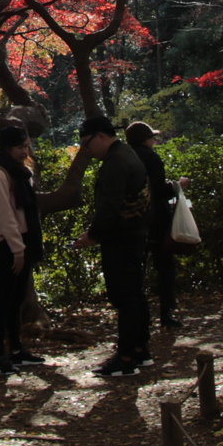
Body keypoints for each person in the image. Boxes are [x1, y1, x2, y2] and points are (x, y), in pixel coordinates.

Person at [75, 114, 152, 378]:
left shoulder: (116, 162)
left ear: (100, 136)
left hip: (121, 238)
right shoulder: (128, 154)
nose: (87, 149)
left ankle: (126, 356)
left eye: (87, 143)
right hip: (134, 233)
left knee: (125, 296)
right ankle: (141, 350)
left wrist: (93, 235)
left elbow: (109, 207)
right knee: (135, 294)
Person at [0, 124, 46, 374]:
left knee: (17, 299)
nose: (24, 151)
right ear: (7, 149)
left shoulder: (22, 173)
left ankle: (17, 351)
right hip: (6, 245)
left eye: (26, 146)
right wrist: (17, 250)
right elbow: (5, 215)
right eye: (20, 147)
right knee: (5, 300)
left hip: (22, 242)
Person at [125, 120, 185, 330]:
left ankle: (139, 315)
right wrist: (177, 186)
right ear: (146, 139)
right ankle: (167, 313)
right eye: (152, 137)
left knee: (136, 270)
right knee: (165, 268)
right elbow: (158, 190)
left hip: (132, 222)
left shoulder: (125, 157)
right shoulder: (151, 158)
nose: (154, 141)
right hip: (157, 221)